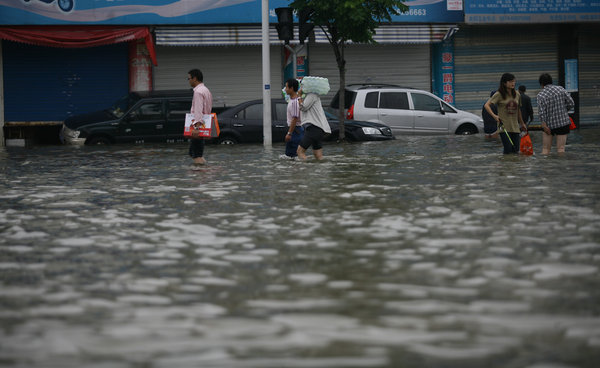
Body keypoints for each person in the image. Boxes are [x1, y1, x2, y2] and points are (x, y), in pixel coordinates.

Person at [484, 73, 527, 154]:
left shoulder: (517, 94)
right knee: (508, 149)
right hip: (502, 126)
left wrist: (522, 123)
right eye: (510, 81)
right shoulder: (499, 94)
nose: (513, 83)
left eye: (514, 81)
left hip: (515, 126)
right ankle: (505, 165)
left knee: (516, 150)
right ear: (504, 83)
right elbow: (487, 105)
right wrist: (495, 116)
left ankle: (513, 165)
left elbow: (518, 110)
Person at [537, 73, 575, 154]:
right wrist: (564, 110)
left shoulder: (541, 94)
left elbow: (541, 112)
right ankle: (560, 166)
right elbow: (571, 103)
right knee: (561, 149)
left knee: (545, 149)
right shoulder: (561, 89)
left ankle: (545, 166)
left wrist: (544, 125)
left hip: (548, 125)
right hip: (563, 123)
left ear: (542, 84)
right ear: (551, 81)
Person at [187, 68, 213, 165]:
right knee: (196, 153)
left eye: (189, 78)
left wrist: (196, 127)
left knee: (196, 154)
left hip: (198, 126)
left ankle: (200, 176)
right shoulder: (206, 90)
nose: (188, 81)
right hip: (204, 125)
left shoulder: (198, 92)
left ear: (195, 78)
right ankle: (204, 171)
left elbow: (198, 110)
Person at [297, 91, 331, 160]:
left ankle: (304, 170)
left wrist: (299, 96)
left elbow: (303, 107)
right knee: (318, 155)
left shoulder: (311, 95)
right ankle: (320, 170)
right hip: (318, 128)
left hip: (313, 128)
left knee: (300, 152)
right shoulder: (313, 95)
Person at [283, 79, 303, 159]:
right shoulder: (292, 100)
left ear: (291, 88)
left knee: (292, 156)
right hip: (295, 130)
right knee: (290, 156)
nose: (285, 89)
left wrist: (289, 133)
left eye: (287, 87)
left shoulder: (295, 102)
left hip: (296, 131)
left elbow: (295, 118)